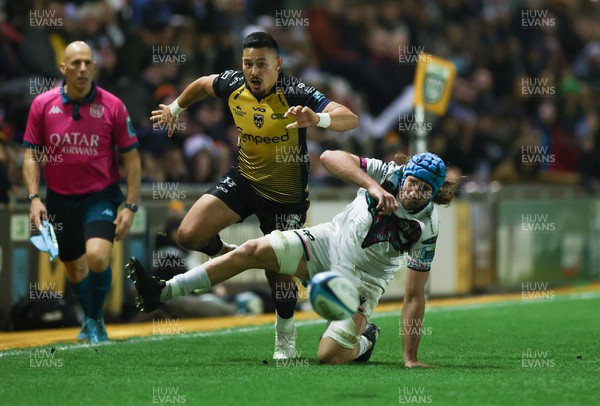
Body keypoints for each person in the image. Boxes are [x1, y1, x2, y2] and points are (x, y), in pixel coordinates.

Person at [127, 150, 464, 366]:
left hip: (363, 282)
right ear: (405, 175)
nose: (413, 192)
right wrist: (373, 187)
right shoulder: (387, 174)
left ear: (435, 194)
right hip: (326, 243)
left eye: (424, 190)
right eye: (413, 183)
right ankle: (163, 291)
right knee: (251, 250)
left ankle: (366, 340)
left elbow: (414, 296)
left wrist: (410, 357)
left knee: (329, 357)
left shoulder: (427, 228)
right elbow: (330, 157)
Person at [149, 32, 358, 359]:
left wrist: (318, 118)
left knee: (280, 279)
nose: (254, 71)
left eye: (262, 64)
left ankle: (285, 337)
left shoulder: (294, 91)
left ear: (277, 64)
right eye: (248, 64)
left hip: (286, 196)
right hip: (244, 180)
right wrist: (175, 108)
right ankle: (229, 252)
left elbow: (350, 118)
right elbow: (203, 84)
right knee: (188, 234)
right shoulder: (233, 84)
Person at [23, 41, 141, 343]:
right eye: (75, 63)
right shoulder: (43, 105)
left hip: (100, 197)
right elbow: (31, 155)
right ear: (63, 68)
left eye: (88, 63)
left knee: (98, 257)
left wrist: (130, 205)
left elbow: (131, 156)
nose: (82, 69)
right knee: (75, 270)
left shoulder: (113, 105)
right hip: (60, 200)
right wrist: (34, 198)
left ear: (95, 68)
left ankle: (95, 319)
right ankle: (91, 318)